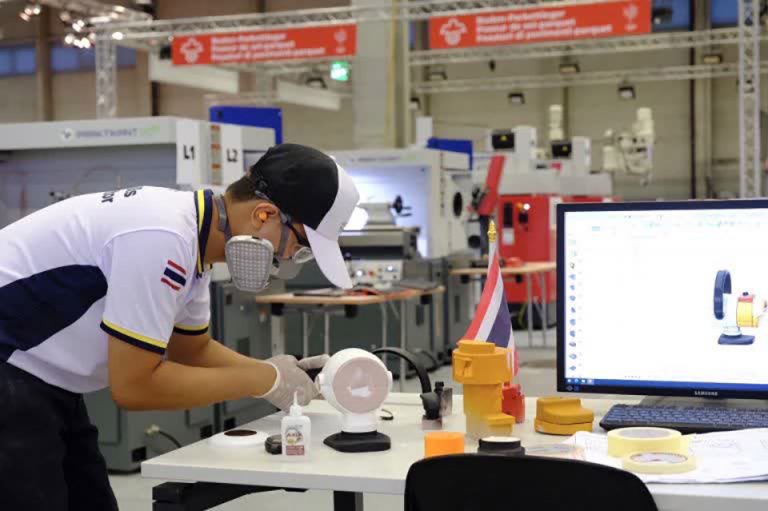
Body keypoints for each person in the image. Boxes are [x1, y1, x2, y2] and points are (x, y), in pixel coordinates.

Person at [0, 143, 360, 510]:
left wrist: (276, 372)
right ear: (264, 215)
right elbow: (135, 387)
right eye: (299, 249)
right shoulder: (163, 236)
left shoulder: (194, 239)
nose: (287, 260)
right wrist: (263, 381)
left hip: (47, 381)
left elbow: (191, 349)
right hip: (12, 368)